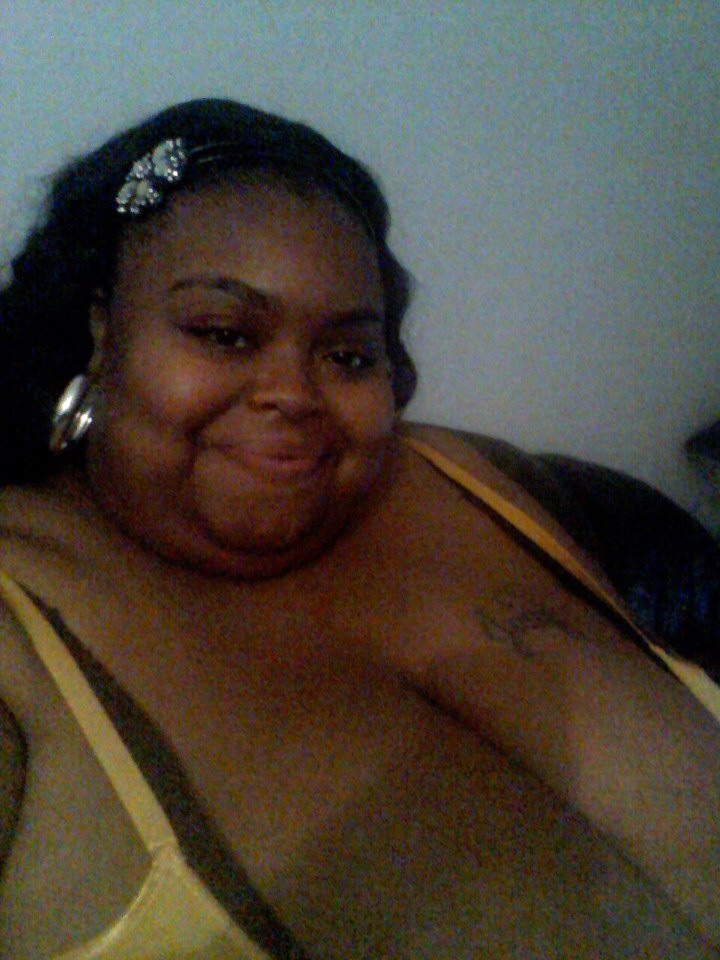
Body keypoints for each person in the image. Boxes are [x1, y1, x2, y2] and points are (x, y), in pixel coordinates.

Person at [0, 97, 718, 959]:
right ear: (100, 326)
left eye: (347, 355)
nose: (294, 393)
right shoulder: (19, 610)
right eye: (225, 334)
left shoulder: (466, 475)